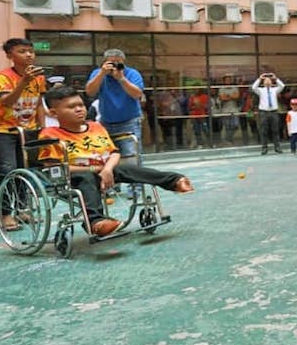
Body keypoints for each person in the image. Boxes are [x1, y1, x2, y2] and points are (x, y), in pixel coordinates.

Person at [38, 86, 193, 237]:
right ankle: (96, 222)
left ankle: (175, 181)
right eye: (71, 107)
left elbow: (114, 153)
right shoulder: (49, 135)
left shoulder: (95, 126)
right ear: (53, 113)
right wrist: (96, 170)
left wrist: (107, 170)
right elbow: (53, 167)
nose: (79, 109)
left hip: (106, 169)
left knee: (130, 168)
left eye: (80, 105)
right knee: (87, 178)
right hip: (74, 176)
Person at [0, 38, 48, 214]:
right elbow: (7, 101)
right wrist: (23, 81)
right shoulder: (4, 76)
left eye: (31, 50)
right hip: (2, 128)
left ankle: (23, 209)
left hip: (27, 129)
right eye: (22, 51)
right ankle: (5, 213)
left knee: (25, 169)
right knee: (7, 170)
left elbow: (39, 104)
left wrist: (43, 129)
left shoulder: (39, 77)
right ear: (10, 55)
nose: (29, 54)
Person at [85, 49, 145, 159]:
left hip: (129, 122)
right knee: (107, 156)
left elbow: (137, 94)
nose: (115, 66)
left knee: (131, 156)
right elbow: (90, 92)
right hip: (106, 122)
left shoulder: (132, 73)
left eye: (119, 63)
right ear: (105, 63)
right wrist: (102, 74)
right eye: (112, 63)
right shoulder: (98, 74)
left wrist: (121, 79)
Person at [251, 72, 284, 155]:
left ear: (272, 82)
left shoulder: (275, 90)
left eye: (269, 80)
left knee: (275, 130)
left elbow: (282, 86)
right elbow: (253, 87)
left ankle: (277, 147)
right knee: (264, 131)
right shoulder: (261, 90)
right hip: (264, 113)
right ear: (263, 83)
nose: (268, 81)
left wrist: (275, 78)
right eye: (266, 80)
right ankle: (264, 148)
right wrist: (260, 78)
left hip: (273, 112)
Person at [217, 75, 241, 143]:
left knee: (236, 125)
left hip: (234, 110)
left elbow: (237, 96)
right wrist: (231, 96)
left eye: (229, 80)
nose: (228, 81)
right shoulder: (221, 89)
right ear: (224, 81)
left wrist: (227, 96)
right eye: (226, 80)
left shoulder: (235, 88)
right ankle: (229, 139)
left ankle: (228, 138)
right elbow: (222, 98)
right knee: (227, 127)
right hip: (225, 110)